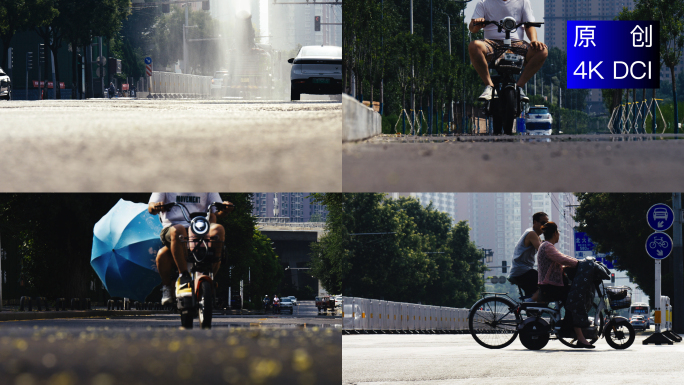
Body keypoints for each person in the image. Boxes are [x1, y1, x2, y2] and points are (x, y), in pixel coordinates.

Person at [148, 193, 234, 306]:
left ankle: (208, 276)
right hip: (173, 227)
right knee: (178, 230)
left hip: (200, 228)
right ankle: (182, 277)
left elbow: (217, 211)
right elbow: (151, 207)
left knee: (218, 229)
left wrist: (225, 208)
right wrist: (156, 206)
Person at [468, 0, 548, 102]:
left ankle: (519, 87)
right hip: (491, 44)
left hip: (517, 43)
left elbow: (529, 25)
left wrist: (534, 40)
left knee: (542, 51)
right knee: (474, 46)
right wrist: (476, 24)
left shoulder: (523, 2)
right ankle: (489, 85)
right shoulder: (483, 3)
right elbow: (472, 28)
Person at [537, 222, 594, 348]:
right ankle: (576, 333)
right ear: (555, 233)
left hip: (552, 285)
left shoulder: (546, 246)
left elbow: (562, 258)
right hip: (550, 286)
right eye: (558, 233)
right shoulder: (547, 246)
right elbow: (562, 259)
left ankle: (573, 328)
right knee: (575, 299)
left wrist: (578, 262)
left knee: (573, 298)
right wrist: (579, 264)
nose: (559, 236)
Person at [508, 211, 547, 302]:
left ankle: (532, 312)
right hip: (522, 270)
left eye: (547, 224)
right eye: (543, 223)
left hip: (523, 270)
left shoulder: (536, 235)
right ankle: (527, 303)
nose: (545, 226)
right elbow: (542, 252)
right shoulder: (532, 234)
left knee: (536, 292)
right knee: (546, 284)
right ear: (535, 222)